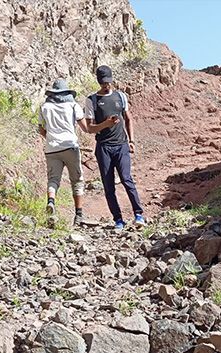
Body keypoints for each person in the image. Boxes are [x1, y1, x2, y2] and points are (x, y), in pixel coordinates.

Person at [84, 65, 146, 230]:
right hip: (103, 147)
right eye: (103, 83)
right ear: (99, 82)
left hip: (121, 145)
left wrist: (131, 141)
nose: (106, 85)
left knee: (126, 179)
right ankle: (118, 219)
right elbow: (90, 128)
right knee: (108, 184)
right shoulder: (92, 100)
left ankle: (138, 214)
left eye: (108, 82)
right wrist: (106, 124)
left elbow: (128, 119)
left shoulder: (121, 96)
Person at [38, 78, 90, 226]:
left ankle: (51, 202)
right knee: (77, 180)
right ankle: (78, 215)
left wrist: (50, 137)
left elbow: (41, 129)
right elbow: (84, 126)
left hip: (51, 148)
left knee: (53, 179)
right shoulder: (73, 105)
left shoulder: (44, 107)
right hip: (70, 146)